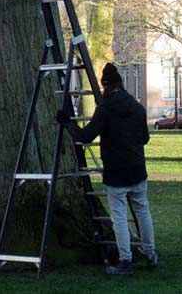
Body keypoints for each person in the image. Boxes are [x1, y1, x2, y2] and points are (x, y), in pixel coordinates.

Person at [57, 63, 157, 275]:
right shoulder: (138, 108)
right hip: (138, 167)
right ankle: (150, 253)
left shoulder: (105, 109)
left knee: (119, 217)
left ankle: (126, 260)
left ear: (106, 87)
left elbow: (86, 137)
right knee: (142, 211)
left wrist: (68, 123)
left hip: (115, 171)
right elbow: (145, 138)